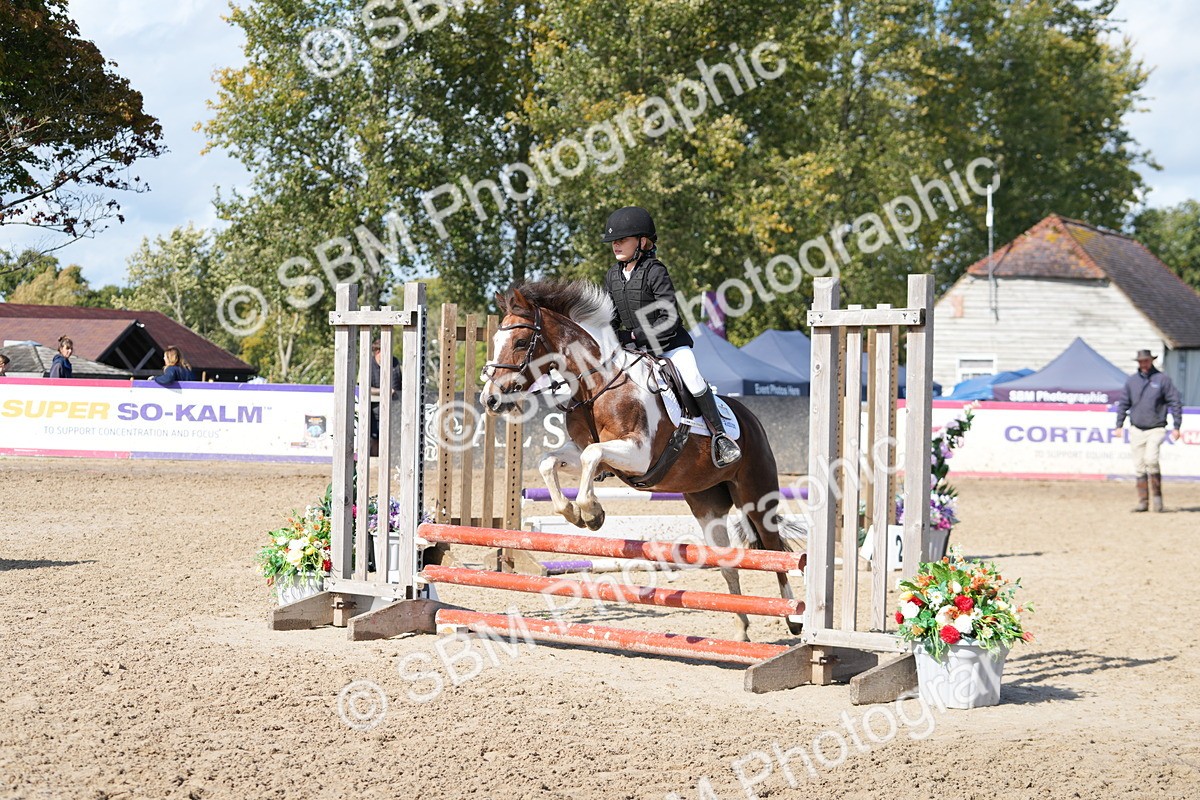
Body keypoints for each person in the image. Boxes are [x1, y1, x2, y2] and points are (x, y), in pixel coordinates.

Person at [601, 206, 741, 467]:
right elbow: (610, 317)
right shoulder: (612, 275)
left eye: (622, 240)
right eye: (613, 241)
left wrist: (631, 335)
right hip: (634, 352)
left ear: (642, 242)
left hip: (669, 346)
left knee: (694, 378)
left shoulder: (655, 271)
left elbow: (670, 319)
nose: (616, 245)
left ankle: (721, 438)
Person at [1114, 349, 1183, 512]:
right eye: (1140, 361)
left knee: (1151, 460)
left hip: (1156, 428)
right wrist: (1119, 424)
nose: (1143, 364)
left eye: (1145, 361)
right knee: (1139, 465)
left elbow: (1175, 402)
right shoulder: (1132, 381)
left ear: (1151, 361)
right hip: (1136, 428)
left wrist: (1177, 426)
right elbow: (1124, 403)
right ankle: (1143, 501)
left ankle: (1158, 501)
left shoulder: (1162, 380)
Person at [369, 340, 401, 456]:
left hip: (395, 408)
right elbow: (363, 388)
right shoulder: (368, 364)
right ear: (377, 352)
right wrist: (384, 391)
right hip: (375, 410)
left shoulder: (395, 362)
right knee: (375, 438)